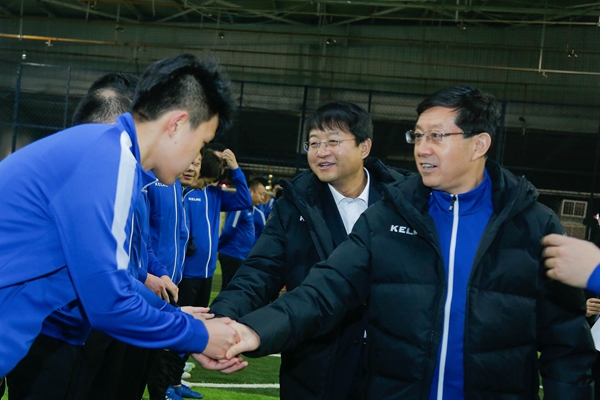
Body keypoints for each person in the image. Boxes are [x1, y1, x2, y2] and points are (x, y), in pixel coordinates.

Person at [225, 86, 596, 399]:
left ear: (478, 144)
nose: (422, 148)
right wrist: (254, 330)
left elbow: (566, 345)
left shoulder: (534, 225)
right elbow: (324, 290)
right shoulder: (389, 217)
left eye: (436, 136)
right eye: (417, 136)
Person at [0, 53, 246, 378]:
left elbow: (113, 276)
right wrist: (199, 336)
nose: (195, 157)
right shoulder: (107, 160)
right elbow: (108, 303)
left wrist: (175, 316)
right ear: (176, 124)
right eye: (201, 142)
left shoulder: (112, 155)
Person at [210, 101, 410, 399]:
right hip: (315, 364)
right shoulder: (294, 205)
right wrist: (219, 320)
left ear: (364, 147)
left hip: (390, 367)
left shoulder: (403, 201)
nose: (321, 151)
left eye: (333, 141)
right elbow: (260, 272)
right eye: (314, 143)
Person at [218, 178, 268, 290]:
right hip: (233, 254)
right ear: (250, 191)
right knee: (229, 288)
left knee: (234, 288)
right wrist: (218, 246)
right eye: (260, 194)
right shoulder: (241, 207)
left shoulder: (251, 210)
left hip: (239, 255)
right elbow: (229, 229)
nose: (262, 198)